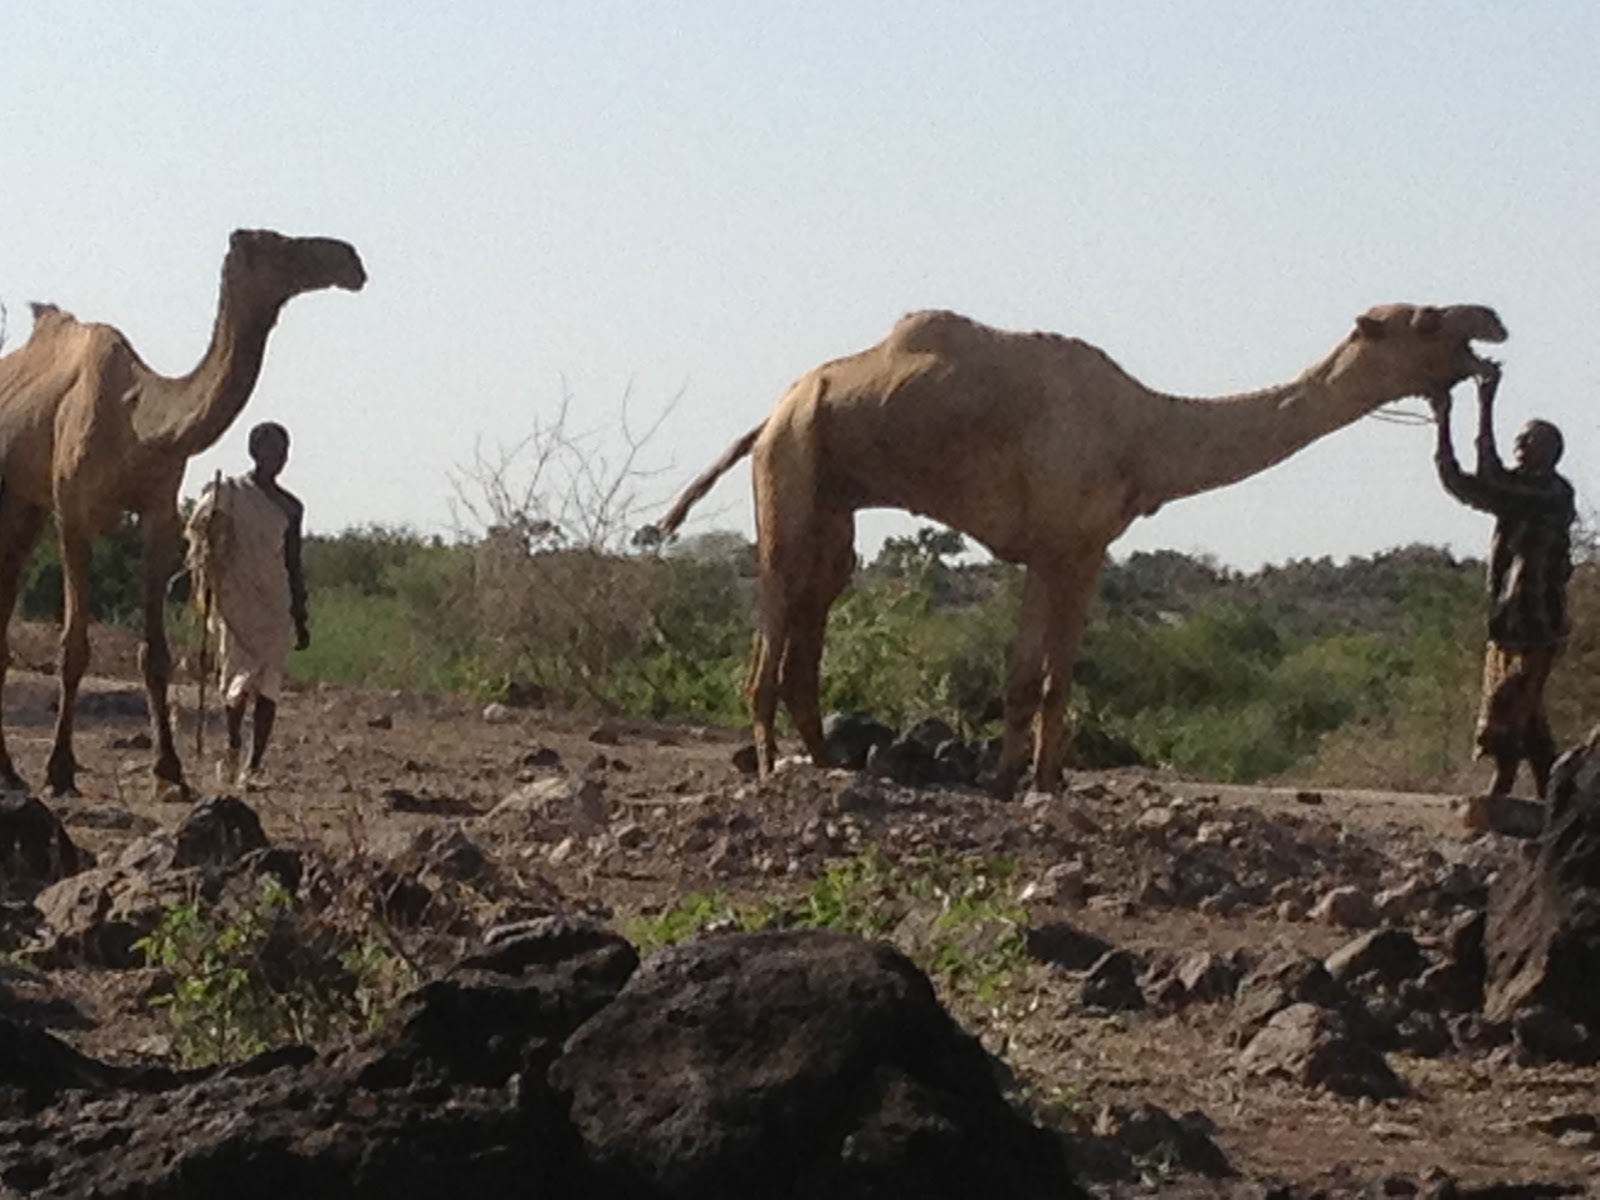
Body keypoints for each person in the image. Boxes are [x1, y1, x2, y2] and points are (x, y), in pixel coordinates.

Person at [1430, 362, 1575, 799]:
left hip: (1536, 622)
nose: (1519, 443)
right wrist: (1443, 423)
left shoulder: (1552, 494)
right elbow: (1460, 482)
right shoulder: (1524, 494)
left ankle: (1504, 793)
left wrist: (1485, 402)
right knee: (1526, 718)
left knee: (1509, 706)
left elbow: (1488, 478)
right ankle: (1555, 799)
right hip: (1511, 622)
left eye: (1527, 439)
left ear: (1549, 451)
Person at [186, 422, 310, 788]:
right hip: (235, 601)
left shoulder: (290, 507)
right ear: (255, 453)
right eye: (271, 451)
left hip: (275, 604)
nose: (278, 460)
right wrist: (210, 540)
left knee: (269, 686)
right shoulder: (230, 493)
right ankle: (233, 745)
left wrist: (300, 615)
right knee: (235, 679)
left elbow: (294, 561)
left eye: (283, 453)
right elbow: (200, 530)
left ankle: (255, 763)